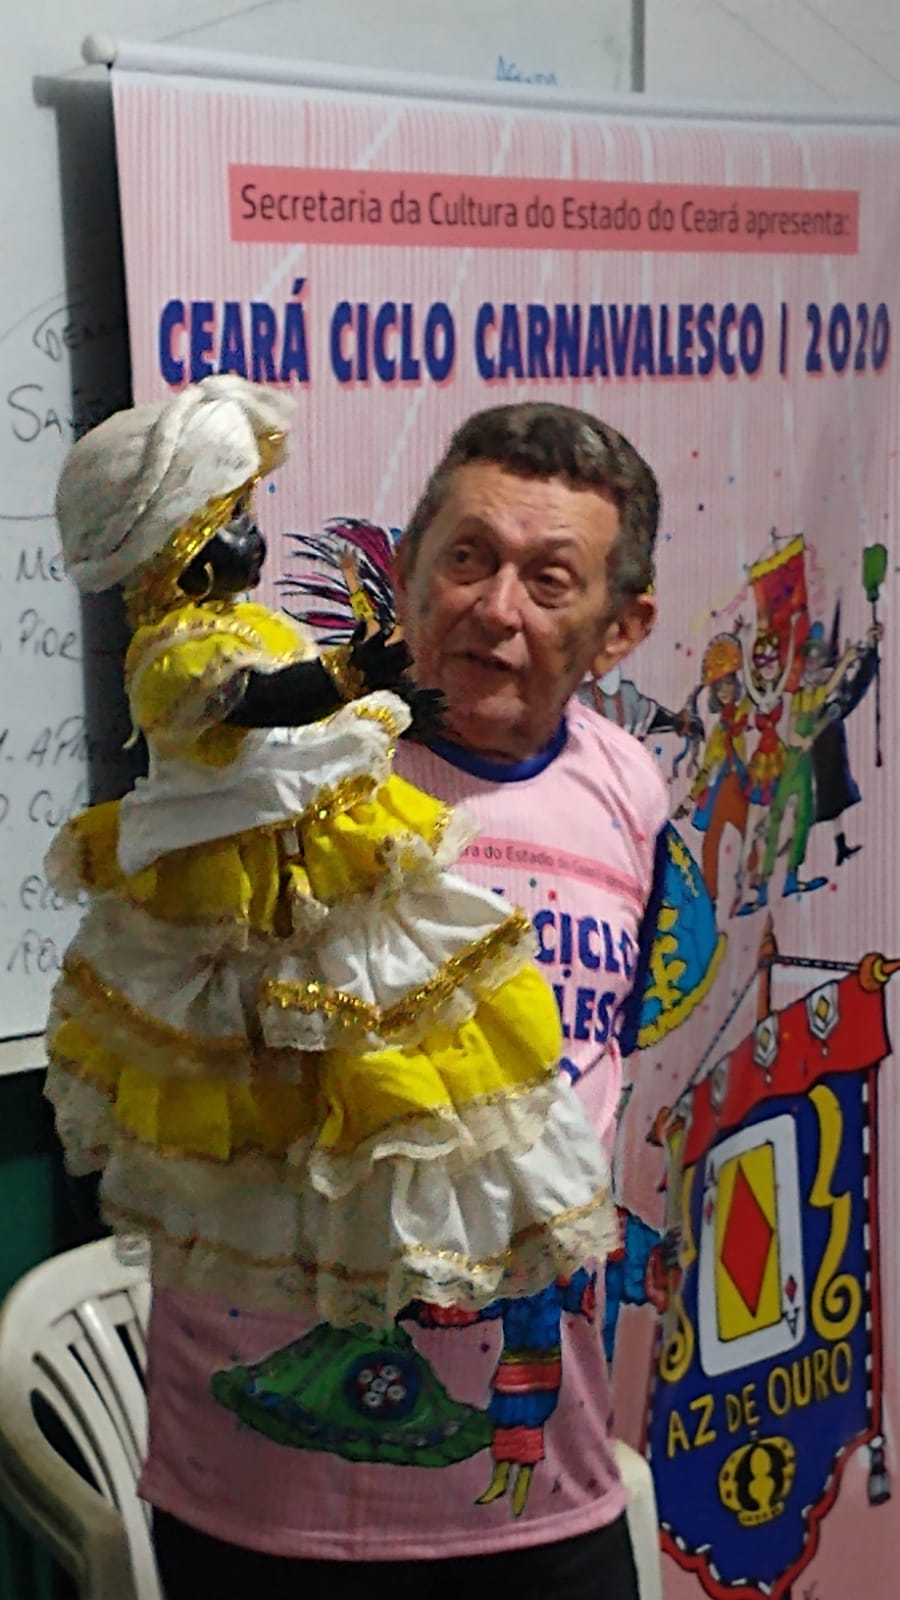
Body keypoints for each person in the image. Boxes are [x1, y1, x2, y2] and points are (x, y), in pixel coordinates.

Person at [134, 401, 667, 1600]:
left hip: (539, 1487)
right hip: (260, 1504)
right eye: (466, 558)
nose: (495, 607)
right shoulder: (269, 770)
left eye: (549, 579)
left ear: (619, 627)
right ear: (409, 571)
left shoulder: (631, 791)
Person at [46, 376, 614, 1331]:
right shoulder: (174, 652)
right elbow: (253, 702)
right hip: (244, 881)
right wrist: (349, 675)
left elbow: (297, 703)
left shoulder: (245, 624)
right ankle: (319, 1239)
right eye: (232, 521)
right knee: (283, 1053)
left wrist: (374, 695)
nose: (252, 538)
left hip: (313, 848)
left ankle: (402, 1231)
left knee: (392, 1028)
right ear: (178, 545)